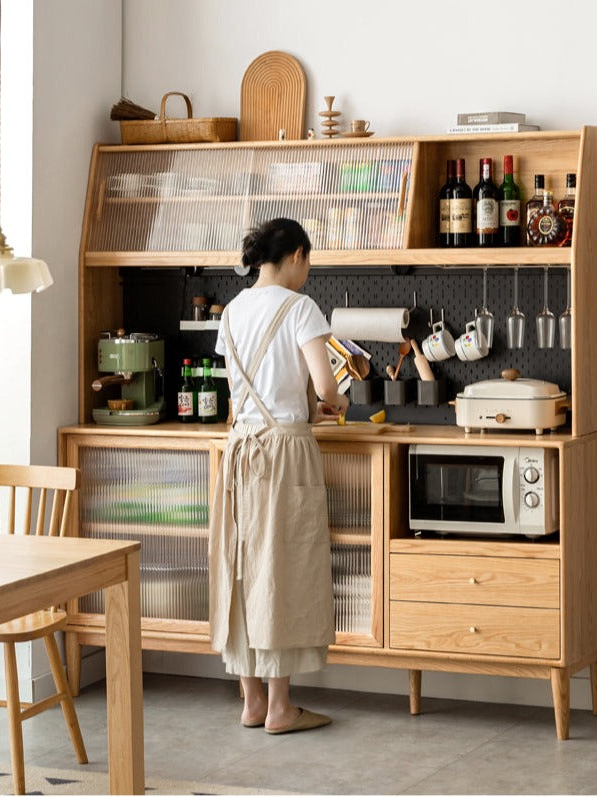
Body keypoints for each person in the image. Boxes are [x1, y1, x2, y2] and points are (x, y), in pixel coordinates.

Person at [209, 217, 349, 734]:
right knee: (284, 565)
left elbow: (239, 392)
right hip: (285, 451)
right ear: (294, 255)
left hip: (239, 448)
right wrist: (333, 404)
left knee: (240, 566)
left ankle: (249, 701)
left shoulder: (233, 310)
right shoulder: (300, 308)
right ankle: (281, 708)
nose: (308, 272)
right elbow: (326, 386)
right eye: (308, 261)